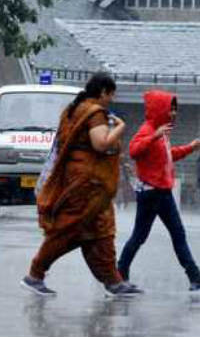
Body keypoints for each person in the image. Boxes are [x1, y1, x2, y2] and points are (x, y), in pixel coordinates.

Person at [22, 73, 140, 297]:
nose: (111, 100)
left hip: (88, 183)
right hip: (87, 184)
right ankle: (35, 274)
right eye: (111, 94)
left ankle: (113, 281)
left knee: (100, 231)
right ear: (103, 92)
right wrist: (121, 127)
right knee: (68, 230)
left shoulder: (74, 109)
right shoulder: (95, 113)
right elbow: (101, 144)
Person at [117, 90, 200, 291]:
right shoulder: (149, 129)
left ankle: (194, 277)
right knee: (145, 236)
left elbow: (167, 156)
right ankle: (120, 275)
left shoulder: (161, 131)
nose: (173, 113)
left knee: (168, 234)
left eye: (175, 109)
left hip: (160, 191)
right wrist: (154, 136)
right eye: (170, 108)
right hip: (152, 192)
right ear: (160, 109)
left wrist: (190, 147)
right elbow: (133, 150)